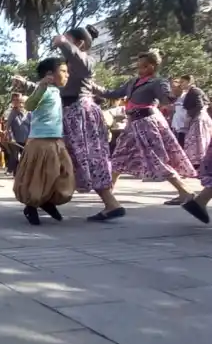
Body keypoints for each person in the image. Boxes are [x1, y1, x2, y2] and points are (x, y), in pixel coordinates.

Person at [46, 25, 124, 221]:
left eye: (69, 39)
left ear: (79, 43)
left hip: (80, 113)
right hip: (73, 113)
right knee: (72, 157)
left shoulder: (85, 61)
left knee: (85, 157)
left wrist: (63, 43)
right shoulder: (72, 65)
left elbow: (80, 62)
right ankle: (110, 203)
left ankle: (110, 203)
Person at [103, 51, 196, 205]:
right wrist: (90, 86)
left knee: (156, 158)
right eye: (139, 66)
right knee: (119, 156)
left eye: (144, 66)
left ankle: (185, 191)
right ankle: (108, 194)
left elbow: (167, 98)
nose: (141, 70)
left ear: (153, 66)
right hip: (132, 124)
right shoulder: (133, 82)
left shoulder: (157, 82)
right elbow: (113, 93)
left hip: (146, 122)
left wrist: (175, 93)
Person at [12, 57, 75, 225]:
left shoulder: (55, 91)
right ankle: (31, 206)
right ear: (49, 74)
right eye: (63, 71)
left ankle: (46, 201)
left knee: (62, 175)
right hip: (41, 142)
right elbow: (30, 105)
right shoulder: (44, 89)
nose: (67, 75)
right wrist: (41, 86)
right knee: (37, 177)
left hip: (57, 141)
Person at [179, 75, 211, 168]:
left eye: (183, 82)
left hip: (199, 118)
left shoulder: (195, 91)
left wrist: (190, 115)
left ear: (189, 82)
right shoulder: (191, 92)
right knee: (195, 141)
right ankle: (198, 163)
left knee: (199, 141)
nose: (181, 84)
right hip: (196, 118)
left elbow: (200, 105)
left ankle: (201, 162)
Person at [5, 93, 31, 176]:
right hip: (15, 140)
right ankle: (13, 171)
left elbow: (33, 127)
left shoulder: (30, 114)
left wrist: (29, 138)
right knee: (15, 156)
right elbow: (8, 126)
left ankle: (24, 173)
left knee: (26, 157)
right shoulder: (13, 113)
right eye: (20, 103)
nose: (21, 105)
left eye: (23, 103)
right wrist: (11, 136)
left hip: (27, 140)